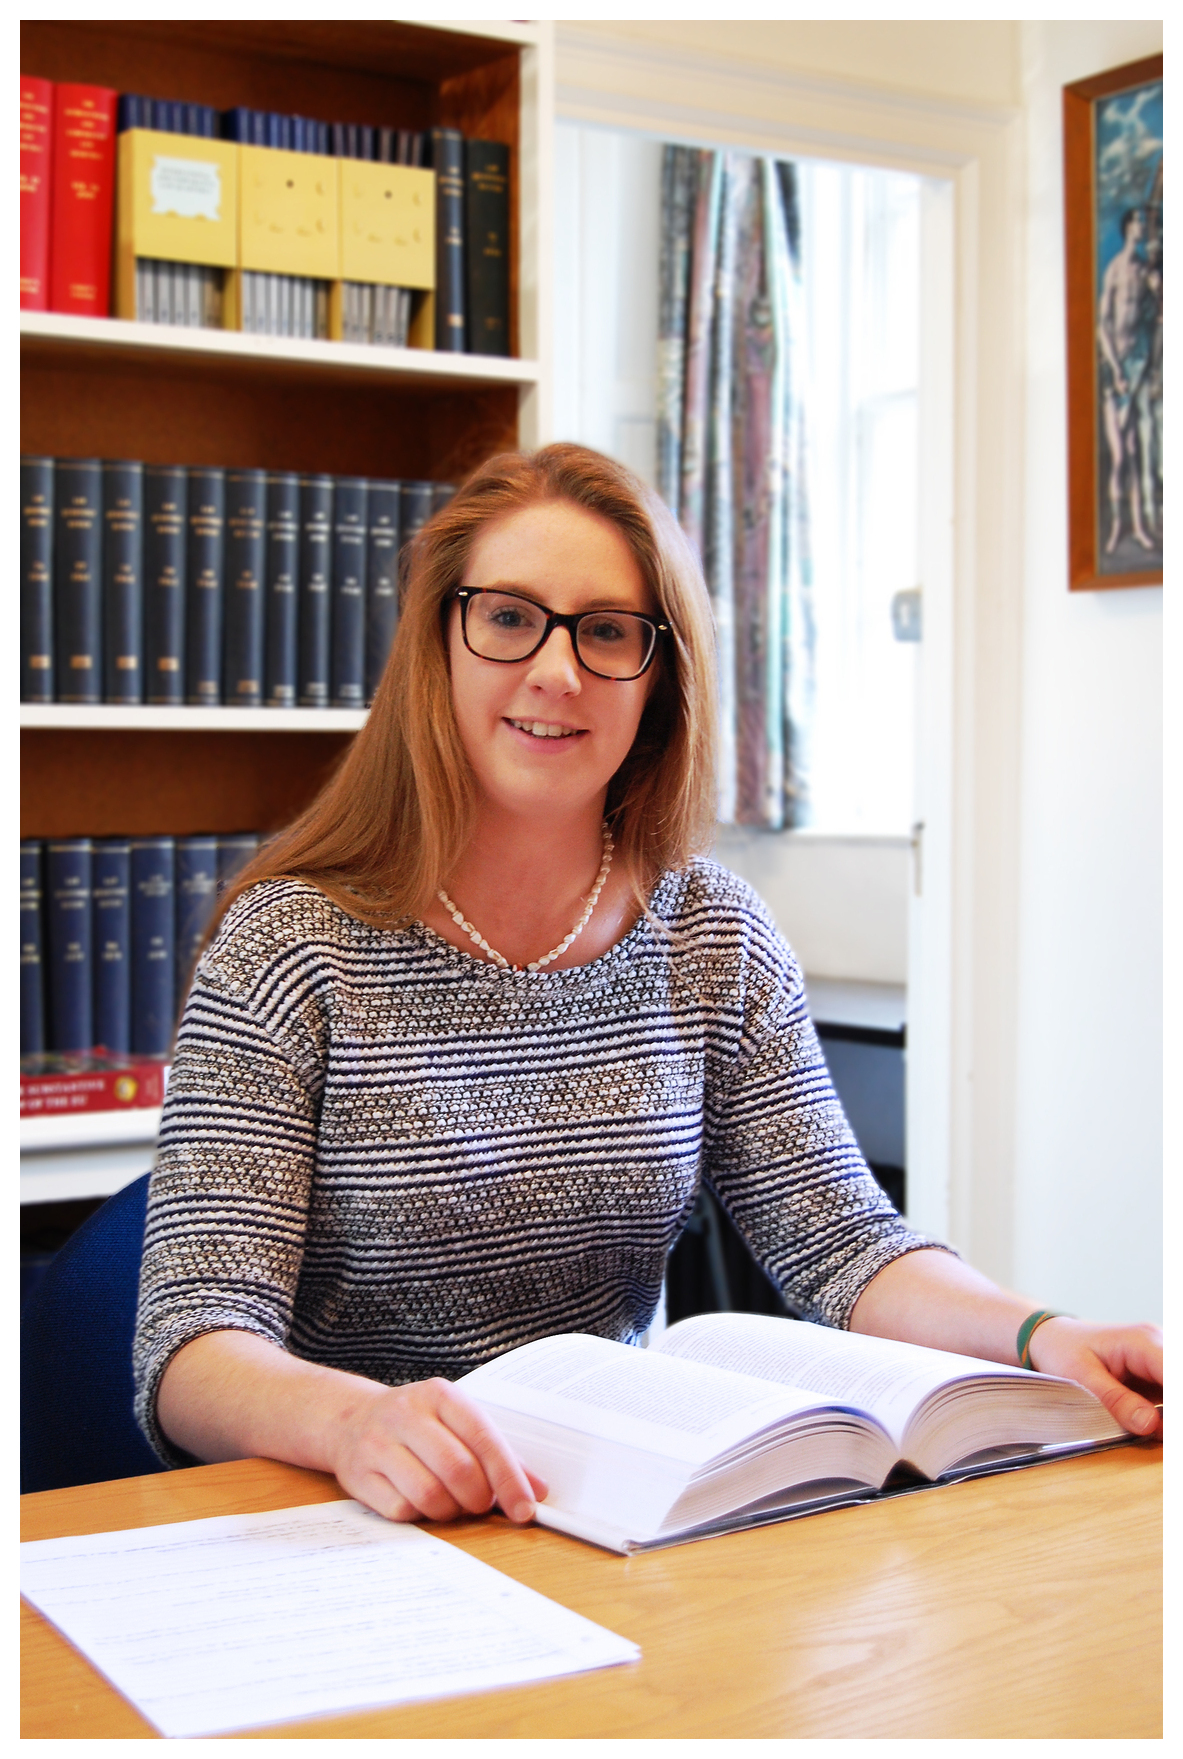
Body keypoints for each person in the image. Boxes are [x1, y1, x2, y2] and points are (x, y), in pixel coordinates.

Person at [134, 444, 1163, 1529]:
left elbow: (844, 1244)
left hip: (614, 1512)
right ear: (439, 644)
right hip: (347, 1519)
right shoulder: (291, 944)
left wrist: (1043, 1333)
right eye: (509, 617)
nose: (557, 671)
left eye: (607, 631)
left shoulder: (710, 933)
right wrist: (354, 1424)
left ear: (658, 676)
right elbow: (192, 1346)